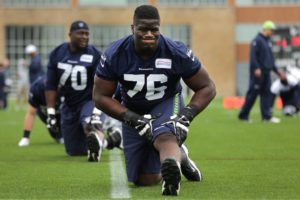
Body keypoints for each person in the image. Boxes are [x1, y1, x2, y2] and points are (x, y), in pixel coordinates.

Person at [93, 5, 216, 196]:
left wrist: (186, 116)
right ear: (132, 28)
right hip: (132, 107)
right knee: (144, 180)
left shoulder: (175, 51)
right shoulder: (115, 54)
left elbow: (207, 87)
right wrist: (133, 119)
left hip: (166, 101)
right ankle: (180, 156)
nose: (149, 33)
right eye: (143, 29)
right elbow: (100, 97)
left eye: (154, 29)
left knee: (164, 135)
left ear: (160, 28)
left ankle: (171, 174)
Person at [45, 20, 122, 161]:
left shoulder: (94, 55)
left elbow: (102, 86)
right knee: (74, 151)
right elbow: (51, 85)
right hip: (69, 104)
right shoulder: (57, 53)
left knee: (90, 123)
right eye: (80, 33)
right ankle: (109, 141)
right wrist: (50, 113)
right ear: (70, 34)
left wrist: (97, 112)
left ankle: (97, 141)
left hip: (90, 100)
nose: (84, 36)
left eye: (87, 34)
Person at [238, 20, 286, 123]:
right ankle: (243, 115)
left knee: (266, 94)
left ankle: (266, 117)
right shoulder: (257, 40)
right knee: (253, 94)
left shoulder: (268, 41)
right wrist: (256, 68)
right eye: (271, 30)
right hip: (258, 73)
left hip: (266, 73)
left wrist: (278, 72)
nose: (272, 32)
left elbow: (271, 60)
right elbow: (253, 56)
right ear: (266, 29)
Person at [18, 75, 64, 147]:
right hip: (46, 113)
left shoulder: (65, 87)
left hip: (63, 112)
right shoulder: (36, 88)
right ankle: (58, 135)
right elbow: (31, 113)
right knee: (55, 133)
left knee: (67, 130)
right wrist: (25, 137)